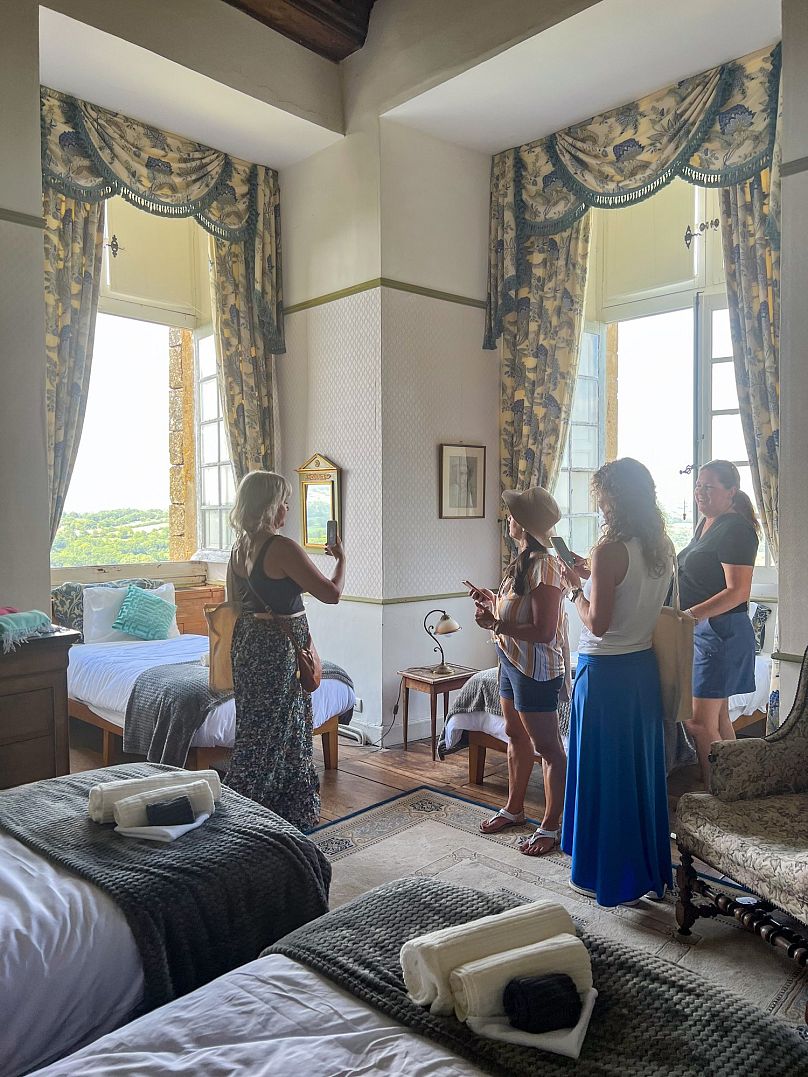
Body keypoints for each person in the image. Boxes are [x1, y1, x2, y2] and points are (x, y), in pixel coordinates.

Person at [560, 458, 673, 907]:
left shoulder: (609, 551)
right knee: (635, 774)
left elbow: (599, 622)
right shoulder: (661, 545)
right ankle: (640, 869)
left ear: (615, 498)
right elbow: (631, 592)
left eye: (602, 497)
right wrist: (586, 572)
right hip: (641, 671)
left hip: (605, 674)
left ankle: (601, 873)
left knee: (602, 774)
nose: (600, 505)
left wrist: (575, 591)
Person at [226, 470, 345, 830]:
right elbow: (331, 594)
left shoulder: (238, 548)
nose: (287, 509)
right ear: (268, 506)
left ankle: (246, 813)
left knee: (255, 730)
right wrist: (341, 559)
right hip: (277, 651)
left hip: (248, 644)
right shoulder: (280, 547)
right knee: (286, 731)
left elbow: (236, 603)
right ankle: (279, 819)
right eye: (283, 502)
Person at [470, 486, 568, 857]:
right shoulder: (523, 561)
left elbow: (544, 631)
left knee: (549, 748)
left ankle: (551, 825)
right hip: (511, 660)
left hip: (536, 668)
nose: (508, 519)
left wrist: (495, 625)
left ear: (524, 524)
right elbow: (519, 611)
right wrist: (493, 602)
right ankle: (514, 809)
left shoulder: (545, 564)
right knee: (514, 734)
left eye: (513, 515)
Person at [677, 459, 760, 786]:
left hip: (720, 632)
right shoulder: (706, 524)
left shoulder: (736, 528)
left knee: (698, 723)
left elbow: (738, 591)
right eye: (699, 485)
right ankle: (734, 789)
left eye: (709, 487)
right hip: (703, 632)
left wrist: (690, 616)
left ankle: (715, 795)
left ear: (731, 492)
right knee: (718, 718)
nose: (700, 492)